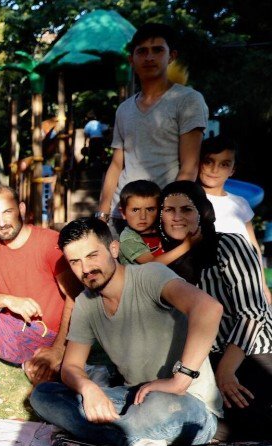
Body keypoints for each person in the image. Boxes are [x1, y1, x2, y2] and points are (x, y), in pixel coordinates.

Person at [29, 217, 222, 446]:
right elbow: (71, 367)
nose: (86, 269)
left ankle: (106, 436)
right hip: (134, 398)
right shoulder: (85, 302)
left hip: (186, 402)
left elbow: (209, 308)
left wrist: (180, 380)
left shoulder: (150, 275)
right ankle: (129, 437)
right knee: (44, 395)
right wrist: (89, 390)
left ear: (113, 249)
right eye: (75, 262)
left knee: (160, 410)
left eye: (92, 256)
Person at [159, 181, 272, 441]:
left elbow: (252, 313)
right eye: (168, 210)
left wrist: (225, 370)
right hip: (200, 362)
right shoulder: (166, 260)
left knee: (250, 424)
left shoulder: (230, 246)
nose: (177, 217)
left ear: (203, 212)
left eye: (186, 209)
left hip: (250, 354)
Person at [0, 185, 79, 409]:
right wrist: (8, 300)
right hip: (15, 332)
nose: (1, 222)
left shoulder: (50, 241)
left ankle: (50, 368)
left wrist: (59, 348)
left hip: (53, 336)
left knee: (43, 387)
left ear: (20, 209)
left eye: (7, 212)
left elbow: (75, 297)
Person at [96, 24, 208, 227]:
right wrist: (102, 215)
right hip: (120, 214)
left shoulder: (188, 100)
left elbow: (189, 167)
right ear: (132, 60)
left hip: (162, 215)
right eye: (142, 51)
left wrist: (169, 212)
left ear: (171, 56)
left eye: (157, 50)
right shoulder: (124, 109)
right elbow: (116, 165)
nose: (149, 57)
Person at [196, 135, 272, 303]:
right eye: (209, 161)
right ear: (199, 161)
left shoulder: (240, 203)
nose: (214, 169)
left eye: (224, 164)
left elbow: (252, 246)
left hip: (245, 287)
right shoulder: (188, 200)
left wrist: (263, 285)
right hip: (207, 286)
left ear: (233, 170)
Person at [117, 180, 197, 266]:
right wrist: (187, 245)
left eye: (150, 209)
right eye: (135, 210)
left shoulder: (161, 228)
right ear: (123, 213)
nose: (143, 217)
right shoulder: (128, 238)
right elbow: (153, 264)